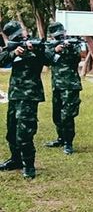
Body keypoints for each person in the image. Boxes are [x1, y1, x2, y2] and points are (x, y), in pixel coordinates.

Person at [0, 21, 48, 178]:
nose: (22, 36)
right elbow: (2, 59)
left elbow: (49, 58)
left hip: (29, 95)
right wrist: (14, 53)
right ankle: (16, 160)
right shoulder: (13, 48)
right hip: (15, 94)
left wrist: (34, 49)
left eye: (22, 33)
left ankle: (29, 165)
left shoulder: (36, 44)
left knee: (25, 131)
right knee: (12, 130)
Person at [43, 22, 82, 155]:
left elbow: (77, 57)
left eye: (61, 35)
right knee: (57, 115)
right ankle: (60, 138)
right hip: (57, 86)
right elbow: (46, 59)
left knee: (67, 116)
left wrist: (67, 48)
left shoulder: (73, 44)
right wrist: (55, 50)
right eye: (57, 36)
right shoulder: (50, 46)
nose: (60, 38)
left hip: (70, 85)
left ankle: (68, 143)